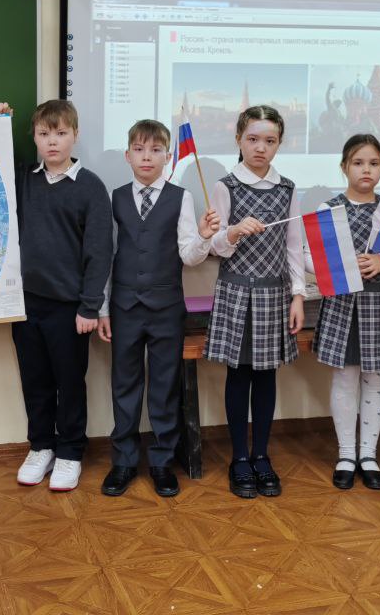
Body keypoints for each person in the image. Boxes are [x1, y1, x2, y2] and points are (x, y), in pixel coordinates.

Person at [0, 100, 112, 494]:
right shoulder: (23, 179)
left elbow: (99, 252)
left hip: (69, 308)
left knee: (69, 382)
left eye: (60, 133)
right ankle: (41, 446)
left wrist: (89, 306)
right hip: (25, 304)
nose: (52, 141)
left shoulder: (90, 187)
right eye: (44, 134)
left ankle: (70, 451)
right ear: (35, 138)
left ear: (75, 135)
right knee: (35, 380)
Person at [97, 120, 218, 497]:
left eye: (155, 150)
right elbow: (107, 255)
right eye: (139, 149)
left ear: (168, 156)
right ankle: (124, 460)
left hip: (166, 307)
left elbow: (189, 255)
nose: (146, 157)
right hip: (124, 306)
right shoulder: (115, 197)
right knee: (124, 383)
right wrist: (102, 308)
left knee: (165, 384)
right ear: (127, 155)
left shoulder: (181, 197)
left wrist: (203, 237)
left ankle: (163, 461)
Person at [203, 105, 305, 499]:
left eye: (270, 140)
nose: (261, 147)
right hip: (235, 292)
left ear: (279, 144)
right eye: (253, 139)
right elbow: (214, 246)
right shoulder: (225, 186)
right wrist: (232, 233)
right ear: (239, 140)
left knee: (265, 376)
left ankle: (262, 455)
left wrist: (298, 295)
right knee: (239, 374)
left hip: (273, 294)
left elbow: (293, 247)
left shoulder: (287, 189)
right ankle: (239, 458)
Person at [310, 134, 380, 491]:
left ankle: (368, 455)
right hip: (343, 305)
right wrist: (340, 266)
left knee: (375, 378)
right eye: (358, 163)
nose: (366, 170)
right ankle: (346, 454)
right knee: (344, 379)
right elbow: (310, 259)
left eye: (373, 163)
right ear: (344, 167)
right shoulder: (329, 209)